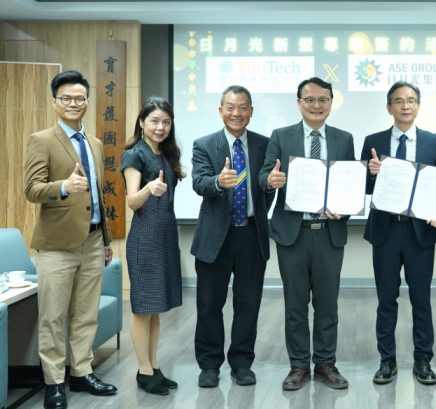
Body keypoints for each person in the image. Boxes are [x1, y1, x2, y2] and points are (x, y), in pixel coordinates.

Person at [24, 70, 118, 409]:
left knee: (86, 314)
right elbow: (32, 189)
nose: (73, 103)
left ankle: (81, 372)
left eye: (79, 98)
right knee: (53, 317)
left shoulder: (94, 143)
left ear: (87, 102)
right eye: (66, 98)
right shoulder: (41, 140)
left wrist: (105, 239)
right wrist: (64, 186)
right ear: (55, 102)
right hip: (56, 246)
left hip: (92, 241)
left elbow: (99, 198)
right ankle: (54, 382)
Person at [259, 77, 354, 391]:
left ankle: (326, 364)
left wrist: (345, 208)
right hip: (293, 234)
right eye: (310, 100)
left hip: (329, 233)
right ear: (299, 102)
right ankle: (298, 365)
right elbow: (263, 175)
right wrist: (269, 180)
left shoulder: (344, 138)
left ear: (331, 103)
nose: (316, 105)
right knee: (295, 305)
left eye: (323, 99)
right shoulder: (281, 136)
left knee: (327, 305)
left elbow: (349, 183)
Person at [360, 81, 436, 386]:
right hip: (385, 231)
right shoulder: (373, 141)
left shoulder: (434, 142)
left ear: (418, 106)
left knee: (421, 300)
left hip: (419, 233)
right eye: (398, 101)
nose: (405, 106)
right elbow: (364, 188)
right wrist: (370, 174)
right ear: (389, 107)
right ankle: (387, 360)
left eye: (411, 100)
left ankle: (423, 360)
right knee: (386, 299)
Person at [191, 85, 274, 388]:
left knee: (248, 304)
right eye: (230, 107)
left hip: (252, 233)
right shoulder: (204, 144)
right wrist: (218, 182)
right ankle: (209, 365)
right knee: (209, 304)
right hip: (215, 236)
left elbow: (266, 187)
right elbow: (199, 182)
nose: (236, 113)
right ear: (220, 111)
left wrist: (269, 188)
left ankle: (241, 363)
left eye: (242, 107)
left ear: (251, 111)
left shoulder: (265, 145)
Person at [120, 96, 184, 395]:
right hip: (145, 235)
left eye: (166, 122)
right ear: (142, 122)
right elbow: (132, 202)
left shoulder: (166, 153)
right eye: (155, 121)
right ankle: (143, 371)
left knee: (156, 307)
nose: (161, 127)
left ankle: (154, 366)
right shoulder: (134, 155)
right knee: (143, 308)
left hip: (166, 234)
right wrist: (148, 189)